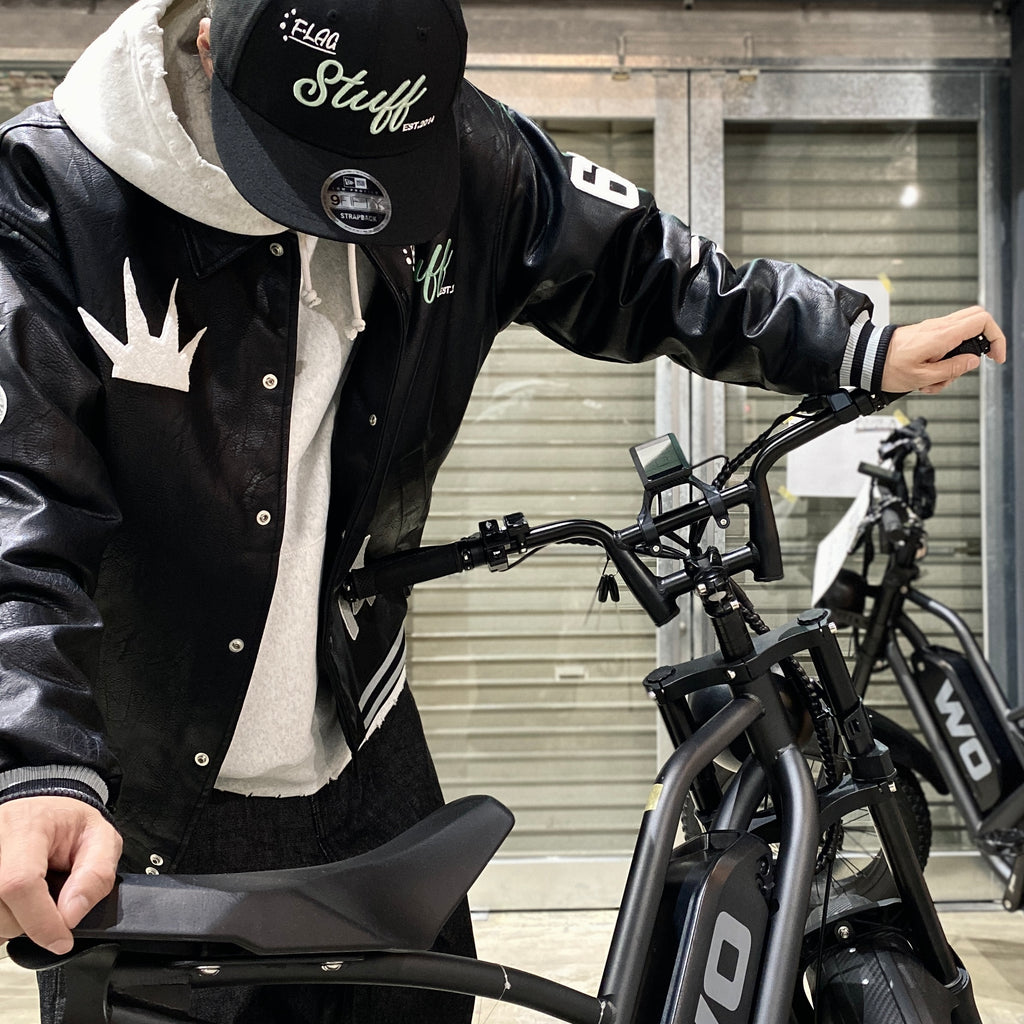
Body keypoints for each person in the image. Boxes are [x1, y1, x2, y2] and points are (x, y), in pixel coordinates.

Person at [0, 0, 1005, 1020]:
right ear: (212, 35)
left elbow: (640, 263)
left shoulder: (458, 147)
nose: (331, 209)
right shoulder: (53, 191)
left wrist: (854, 343)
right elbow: (19, 502)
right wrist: (33, 764)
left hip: (363, 737)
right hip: (152, 780)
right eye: (299, 165)